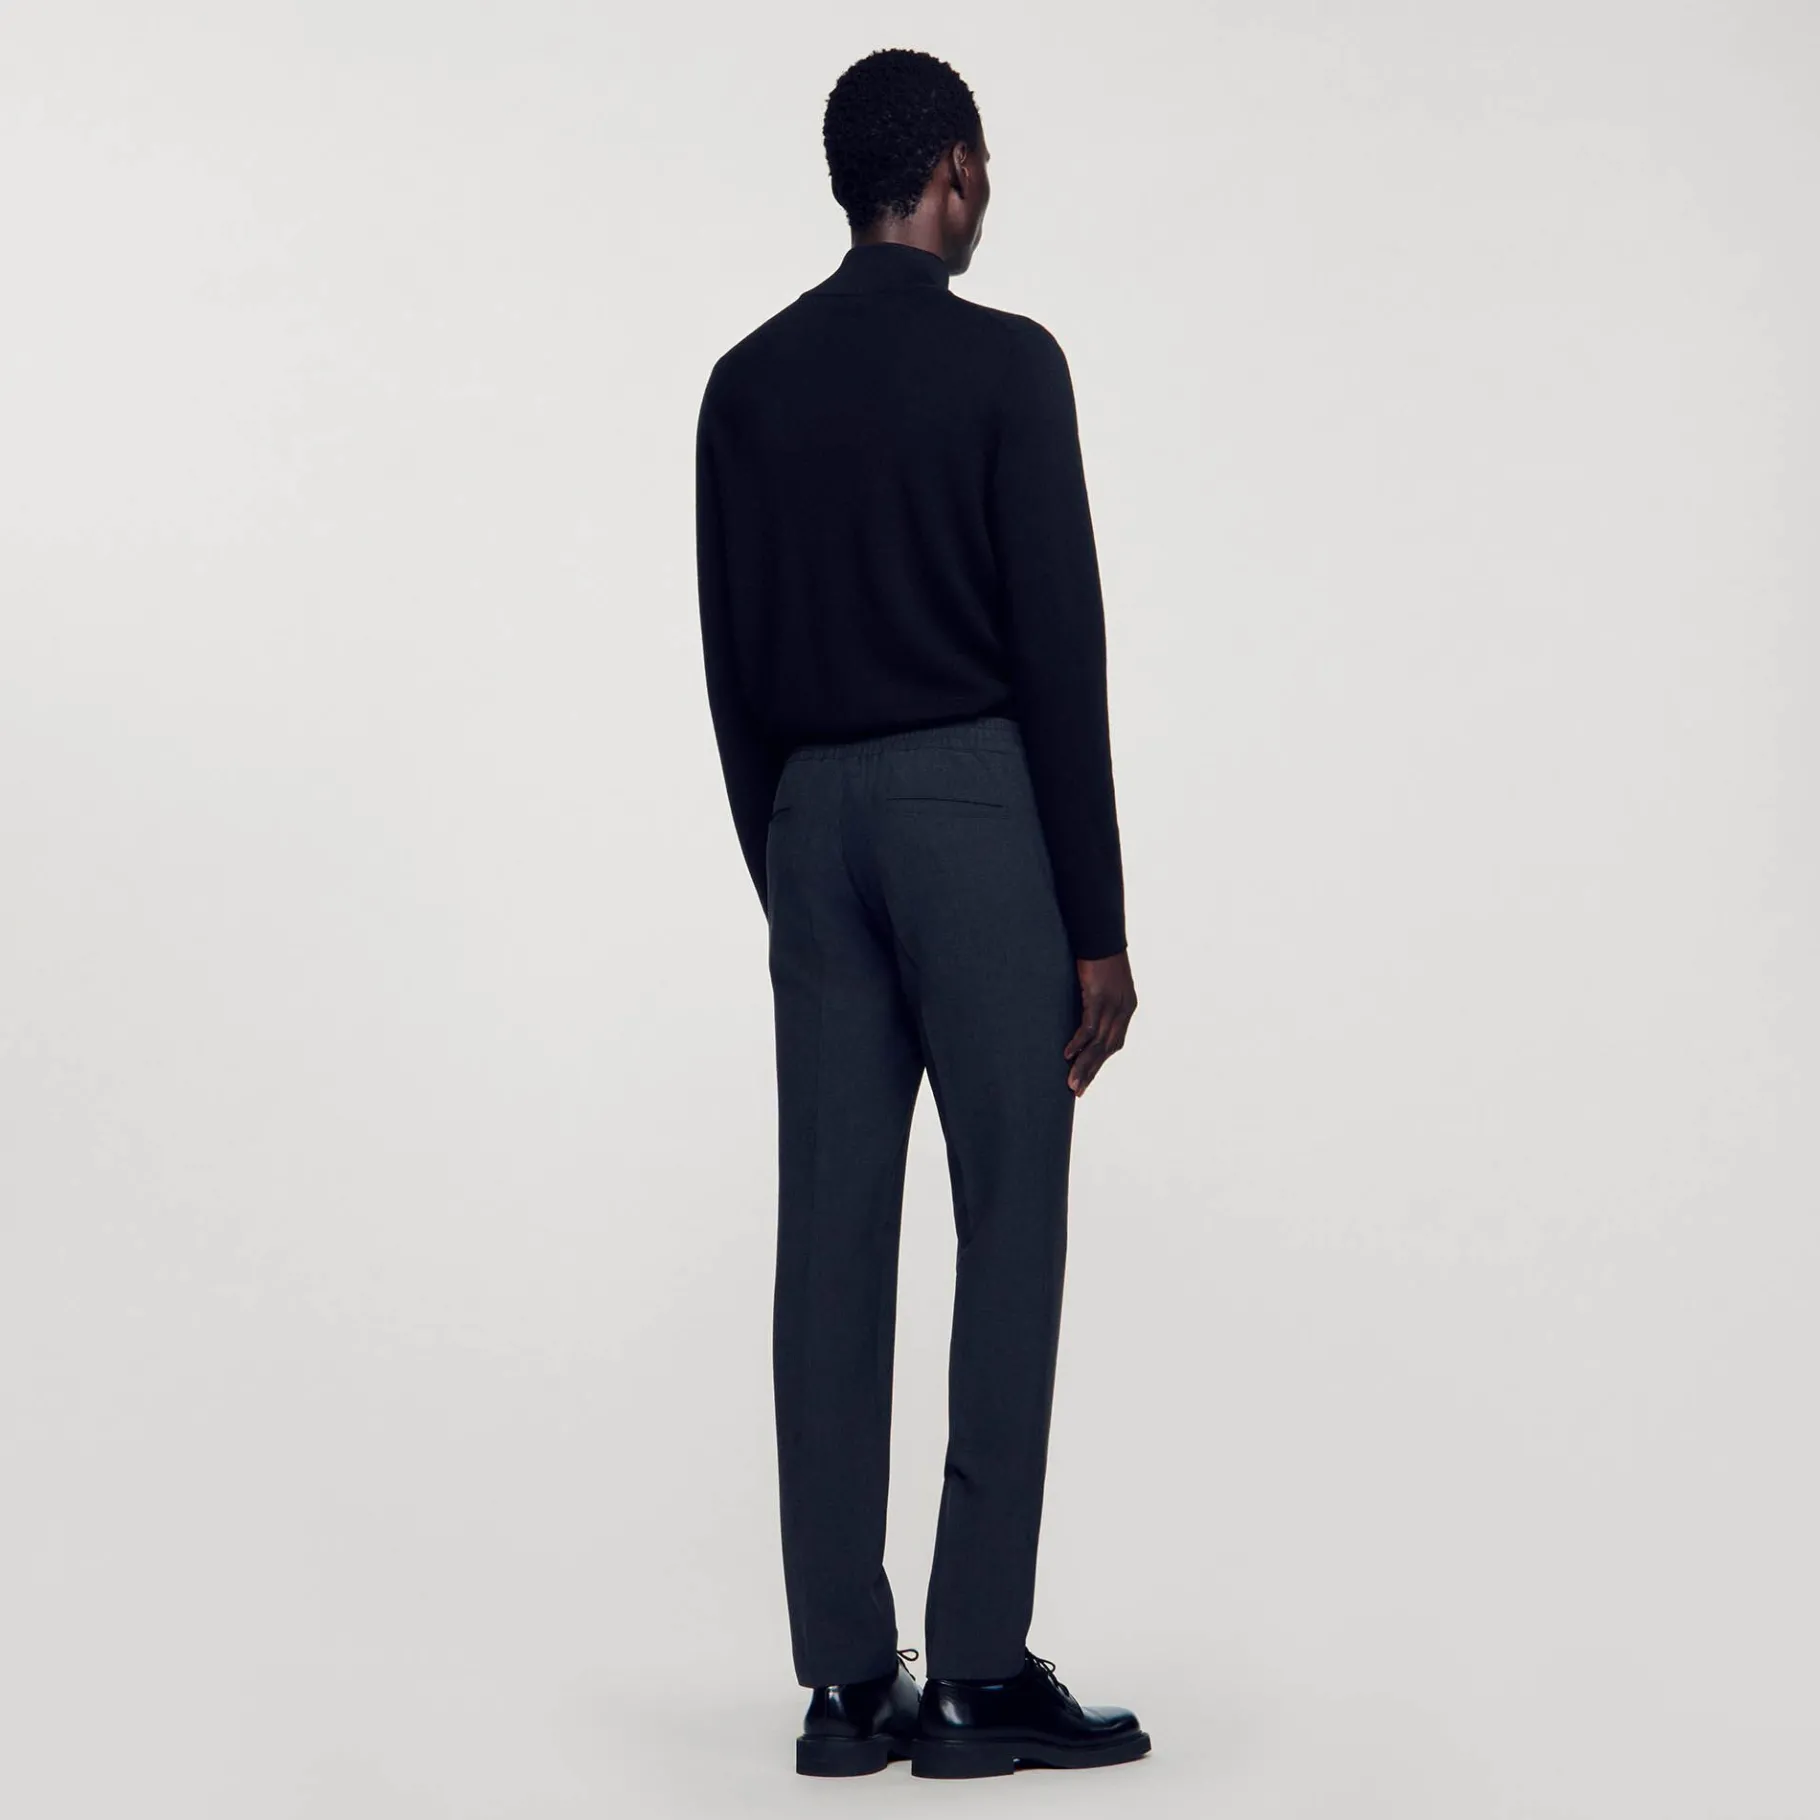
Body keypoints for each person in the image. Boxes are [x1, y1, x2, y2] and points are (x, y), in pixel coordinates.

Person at [693, 47, 1148, 1780]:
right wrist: (1095, 921)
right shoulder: (1009, 365)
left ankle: (840, 1683)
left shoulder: (745, 384)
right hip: (977, 816)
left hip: (810, 821)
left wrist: (793, 863)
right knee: (1008, 1218)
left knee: (829, 1239)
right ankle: (970, 1672)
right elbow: (1059, 653)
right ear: (951, 169)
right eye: (984, 167)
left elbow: (731, 662)